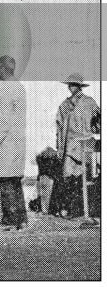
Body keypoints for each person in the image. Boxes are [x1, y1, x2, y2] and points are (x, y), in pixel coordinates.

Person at [0, 55, 28, 231]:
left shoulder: (5, 87)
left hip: (6, 142)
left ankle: (9, 221)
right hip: (17, 142)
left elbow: (3, 121)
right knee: (15, 181)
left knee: (5, 181)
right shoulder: (19, 87)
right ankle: (22, 220)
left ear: (1, 68)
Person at [56, 73, 100, 218]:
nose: (71, 87)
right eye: (69, 84)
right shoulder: (64, 105)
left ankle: (87, 210)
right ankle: (71, 209)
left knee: (88, 178)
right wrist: (59, 148)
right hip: (70, 147)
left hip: (87, 146)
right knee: (68, 177)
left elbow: (98, 123)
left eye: (74, 84)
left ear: (80, 86)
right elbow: (59, 128)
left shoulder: (90, 102)